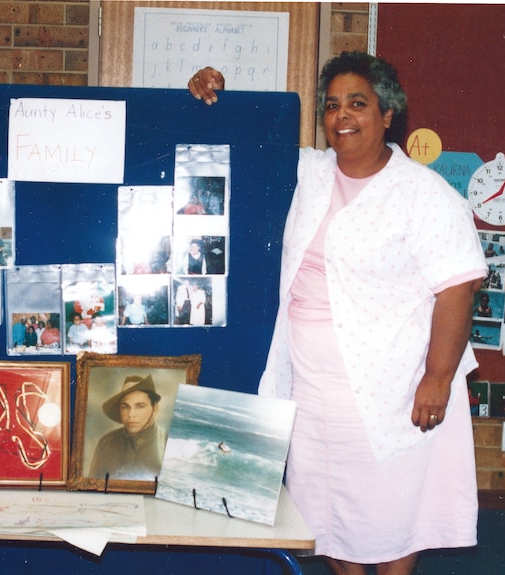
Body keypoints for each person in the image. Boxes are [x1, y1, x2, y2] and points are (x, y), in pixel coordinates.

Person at [190, 51, 486, 575]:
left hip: (391, 383)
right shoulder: (310, 170)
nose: (342, 116)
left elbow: (460, 284)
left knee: (393, 512)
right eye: (331, 105)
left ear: (387, 114)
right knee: (322, 512)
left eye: (357, 103)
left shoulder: (424, 194)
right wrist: (212, 92)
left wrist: (438, 378)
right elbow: (245, 140)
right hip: (309, 382)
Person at [88, 375, 167, 481]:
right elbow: (92, 487)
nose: (131, 414)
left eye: (140, 406)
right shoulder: (106, 442)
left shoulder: (168, 445)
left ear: (155, 408)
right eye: (125, 407)